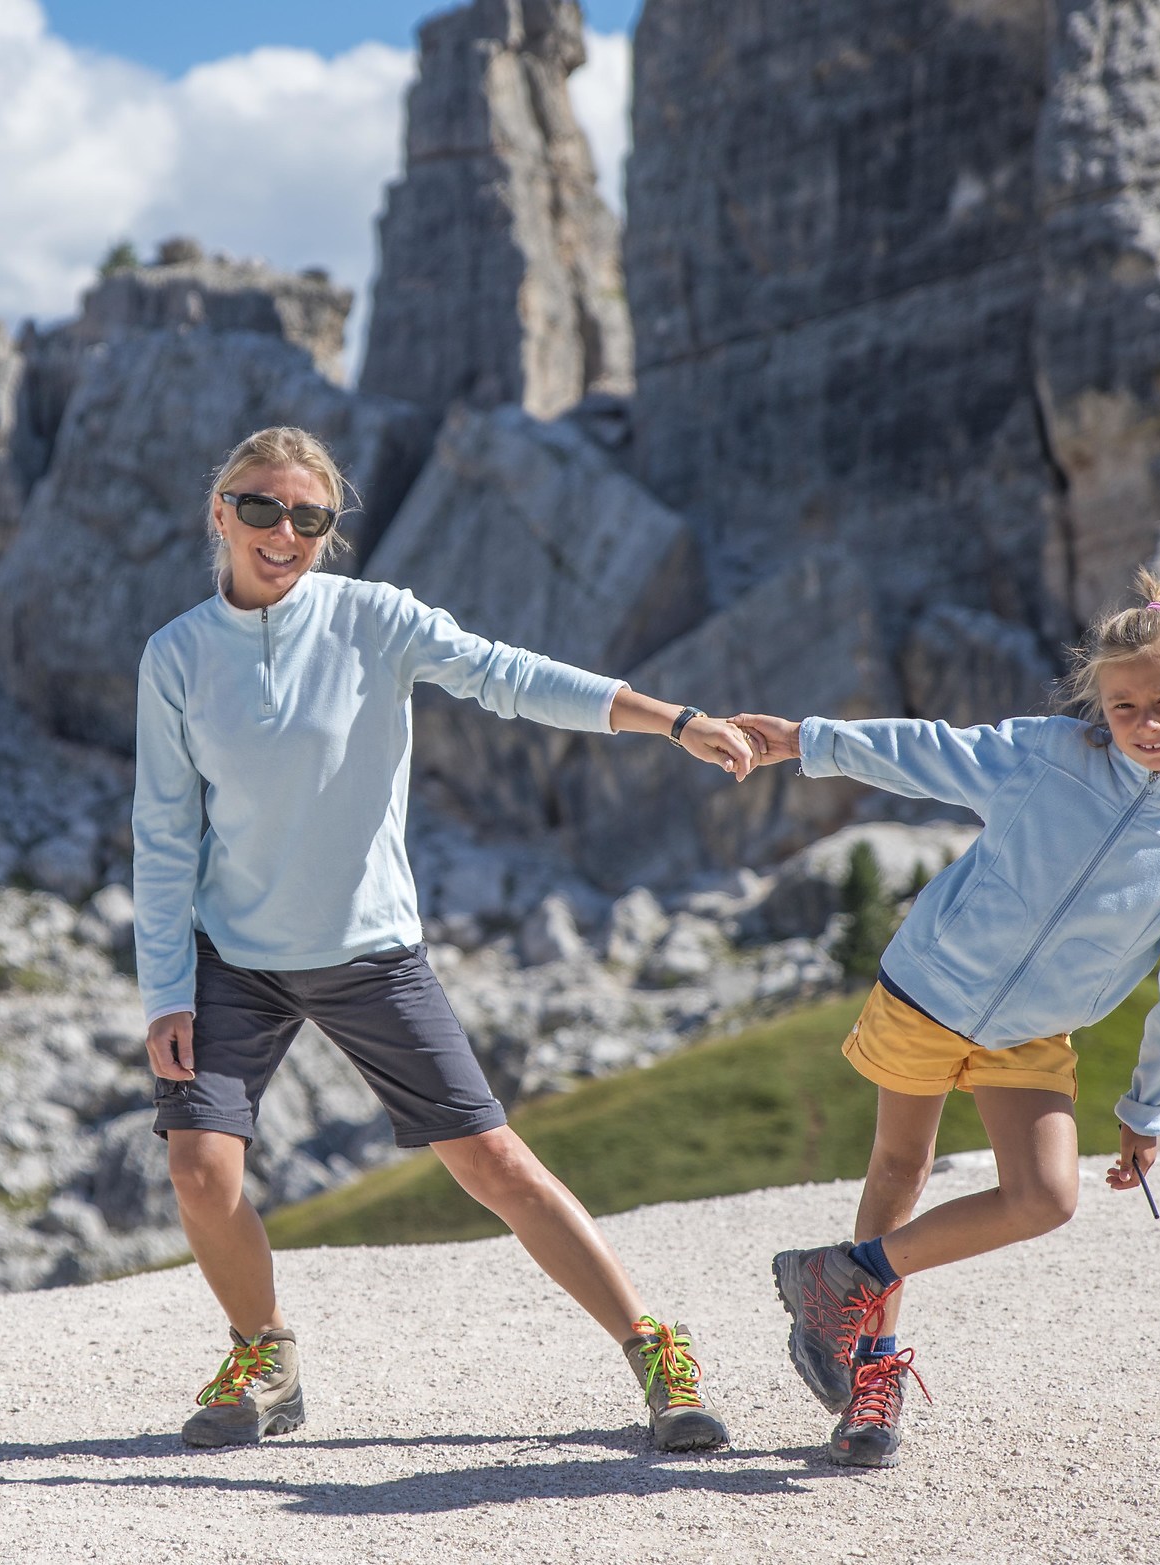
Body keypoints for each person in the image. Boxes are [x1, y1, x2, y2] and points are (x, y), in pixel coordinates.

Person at [132, 426, 759, 1452]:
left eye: (308, 516)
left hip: (369, 946)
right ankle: (264, 1353)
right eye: (259, 507)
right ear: (220, 511)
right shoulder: (177, 654)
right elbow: (162, 834)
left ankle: (654, 1350)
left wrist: (672, 719)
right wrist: (165, 989)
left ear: (329, 531)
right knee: (200, 1167)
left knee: (492, 1160)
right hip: (230, 956)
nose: (281, 531)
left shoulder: (374, 619)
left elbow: (511, 673)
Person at [732, 571, 1160, 1468]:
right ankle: (871, 1376)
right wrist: (807, 741)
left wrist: (1147, 1108)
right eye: (1124, 705)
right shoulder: (1052, 755)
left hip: (1032, 1034)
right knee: (900, 1168)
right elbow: (926, 751)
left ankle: (843, 1275)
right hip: (931, 986)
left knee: (1044, 1196)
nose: (1146, 721)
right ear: (1101, 706)